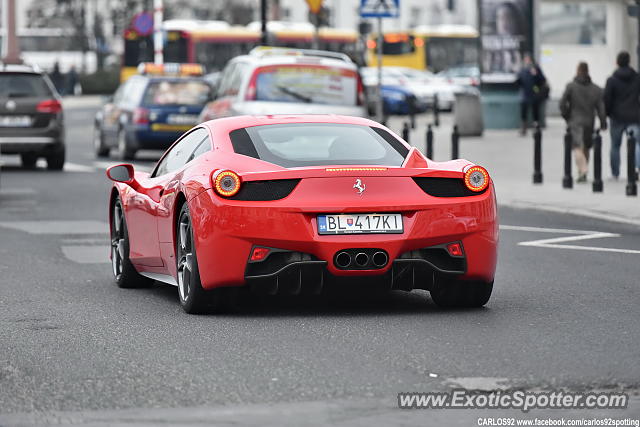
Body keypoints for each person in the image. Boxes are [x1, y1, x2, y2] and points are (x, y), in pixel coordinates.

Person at [559, 62, 607, 182]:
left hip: (575, 120)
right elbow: (601, 108)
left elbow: (562, 103)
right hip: (589, 121)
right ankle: (582, 171)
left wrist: (566, 116)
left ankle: (583, 169)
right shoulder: (596, 89)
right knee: (586, 147)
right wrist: (603, 122)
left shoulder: (571, 86)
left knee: (577, 147)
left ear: (577, 71)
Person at [604, 51, 640, 180]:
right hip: (634, 116)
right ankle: (637, 168)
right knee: (636, 144)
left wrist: (607, 114)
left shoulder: (612, 80)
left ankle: (615, 172)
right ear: (629, 61)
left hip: (617, 117)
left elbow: (607, 99)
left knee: (615, 146)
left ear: (617, 62)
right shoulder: (637, 78)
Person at [516, 53, 548, 136]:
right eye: (525, 59)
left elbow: (542, 80)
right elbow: (519, 81)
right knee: (524, 111)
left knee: (535, 111)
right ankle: (524, 128)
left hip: (534, 93)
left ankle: (536, 126)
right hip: (525, 94)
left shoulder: (536, 68)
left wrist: (535, 74)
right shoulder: (522, 69)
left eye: (528, 59)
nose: (527, 61)